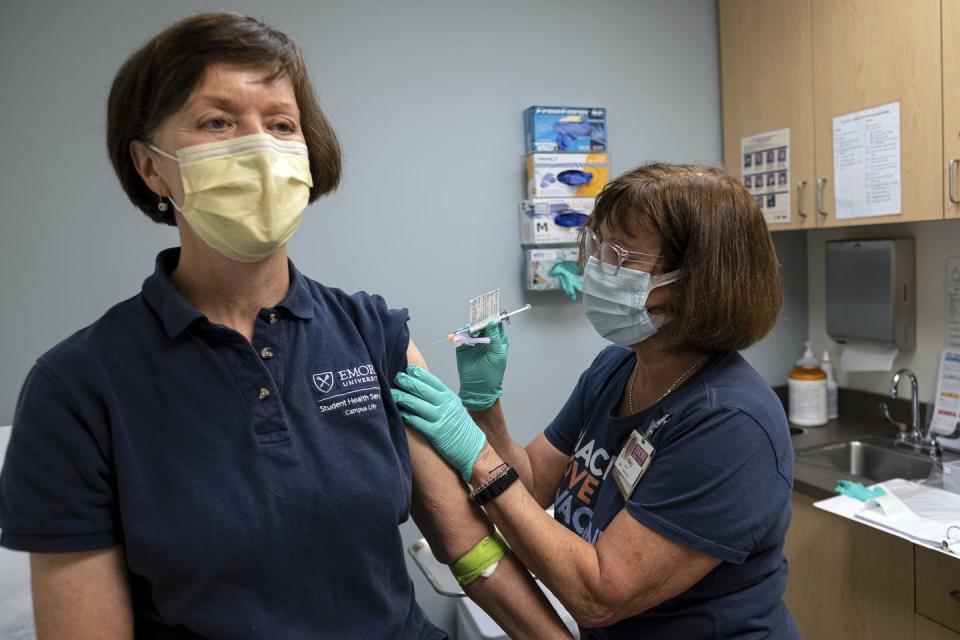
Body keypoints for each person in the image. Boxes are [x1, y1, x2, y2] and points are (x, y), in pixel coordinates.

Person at [0, 13, 571, 639]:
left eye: (281, 125)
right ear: (150, 167)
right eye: (217, 122)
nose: (260, 149)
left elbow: (469, 550)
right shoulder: (78, 388)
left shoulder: (371, 332)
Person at [392, 164, 801, 638]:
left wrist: (479, 459)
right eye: (598, 244)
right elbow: (532, 485)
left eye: (620, 254)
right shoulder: (616, 369)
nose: (596, 266)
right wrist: (485, 405)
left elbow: (600, 594)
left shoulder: (731, 424)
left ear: (695, 283)